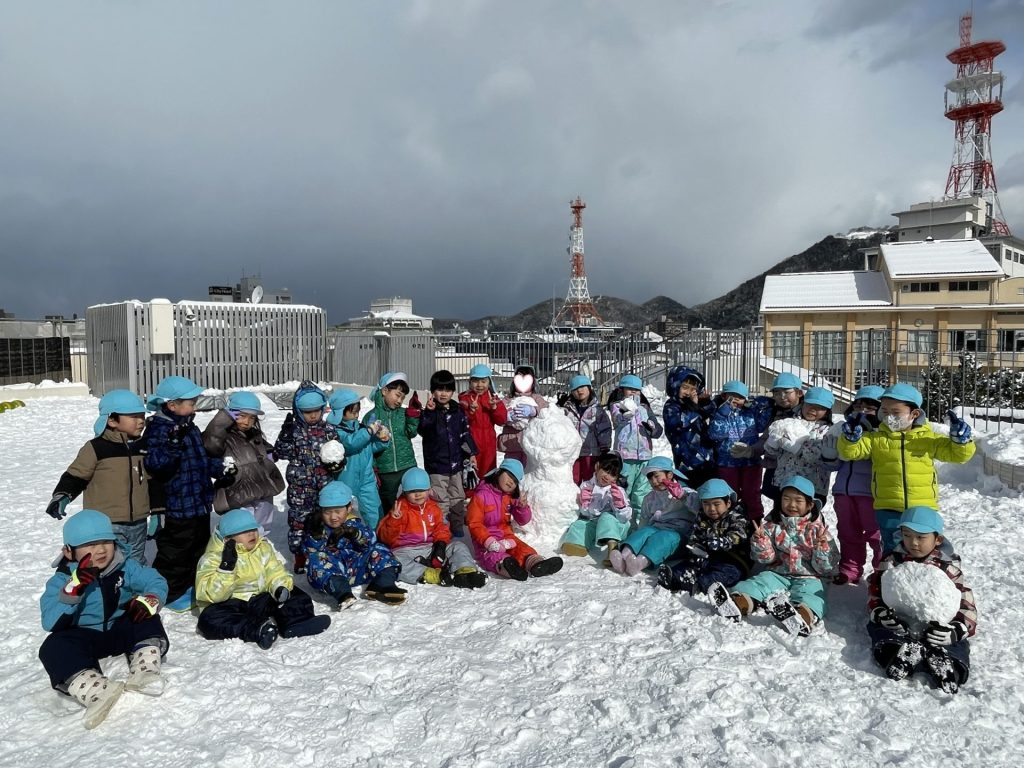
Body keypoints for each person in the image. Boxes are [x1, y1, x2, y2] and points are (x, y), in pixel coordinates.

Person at [39, 509, 169, 729]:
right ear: (69, 552)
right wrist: (72, 592)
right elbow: (49, 621)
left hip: (119, 626)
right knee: (53, 647)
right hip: (85, 636)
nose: (100, 550)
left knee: (144, 614)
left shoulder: (124, 566)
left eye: (106, 542)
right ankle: (95, 688)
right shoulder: (62, 579)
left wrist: (151, 599)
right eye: (89, 545)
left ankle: (145, 668)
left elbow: (154, 581)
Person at [837, 382, 975, 555]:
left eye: (896, 413)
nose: (889, 417)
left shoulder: (928, 439)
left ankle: (926, 578)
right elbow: (850, 452)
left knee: (923, 549)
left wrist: (960, 441)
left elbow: (958, 455)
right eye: (885, 412)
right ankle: (888, 579)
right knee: (892, 549)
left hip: (922, 507)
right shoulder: (876, 438)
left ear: (914, 414)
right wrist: (850, 439)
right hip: (888, 506)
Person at [144, 375, 235, 610]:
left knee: (198, 547)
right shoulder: (158, 428)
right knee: (175, 552)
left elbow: (200, 460)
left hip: (199, 501)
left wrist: (220, 469)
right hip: (177, 504)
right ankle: (170, 592)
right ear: (172, 405)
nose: (194, 406)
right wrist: (173, 445)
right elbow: (156, 464)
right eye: (191, 402)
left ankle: (192, 584)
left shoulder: (189, 426)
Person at [866, 507, 976, 694]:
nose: (913, 543)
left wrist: (958, 628)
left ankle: (949, 668)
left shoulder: (947, 567)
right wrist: (880, 613)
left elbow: (965, 600)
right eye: (907, 535)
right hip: (901, 622)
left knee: (956, 644)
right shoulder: (892, 561)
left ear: (937, 539)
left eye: (921, 537)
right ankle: (899, 656)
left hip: (937, 626)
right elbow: (876, 589)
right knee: (880, 632)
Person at [711, 475, 839, 637]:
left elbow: (826, 567)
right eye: (786, 499)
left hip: (810, 576)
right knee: (758, 583)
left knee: (812, 596)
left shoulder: (818, 531)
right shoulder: (772, 526)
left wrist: (822, 549)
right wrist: (760, 542)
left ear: (810, 504)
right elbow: (766, 559)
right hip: (778, 572)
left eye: (798, 501)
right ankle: (738, 604)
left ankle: (802, 617)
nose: (791, 505)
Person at [195, 509, 330, 650]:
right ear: (227, 539)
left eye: (253, 529)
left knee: (294, 593)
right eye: (243, 531)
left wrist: (279, 587)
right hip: (231, 604)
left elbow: (274, 571)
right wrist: (226, 568)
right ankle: (259, 629)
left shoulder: (262, 548)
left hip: (260, 598)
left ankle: (297, 621)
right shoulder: (212, 558)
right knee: (209, 619)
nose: (251, 533)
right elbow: (211, 595)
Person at [46, 390, 153, 564]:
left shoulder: (143, 447)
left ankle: (134, 590)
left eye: (142, 416)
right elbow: (76, 475)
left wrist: (157, 511)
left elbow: (151, 480)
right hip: (106, 523)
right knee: (109, 565)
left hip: (138, 522)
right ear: (111, 420)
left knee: (136, 563)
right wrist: (63, 495)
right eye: (133, 417)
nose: (141, 421)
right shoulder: (96, 448)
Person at [376, 467, 487, 588]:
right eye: (412, 491)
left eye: (421, 490)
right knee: (394, 561)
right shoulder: (399, 509)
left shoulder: (432, 507)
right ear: (405, 492)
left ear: (428, 490)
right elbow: (385, 537)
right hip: (406, 550)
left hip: (430, 548)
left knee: (458, 546)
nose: (417, 494)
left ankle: (465, 571)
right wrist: (394, 520)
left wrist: (440, 544)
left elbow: (441, 528)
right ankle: (430, 574)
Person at [304, 481, 407, 606]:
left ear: (349, 508)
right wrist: (315, 537)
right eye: (327, 512)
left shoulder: (354, 523)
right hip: (334, 574)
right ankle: (343, 593)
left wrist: (355, 534)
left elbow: (370, 543)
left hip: (358, 570)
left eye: (338, 511)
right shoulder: (319, 528)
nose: (333, 517)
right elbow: (309, 553)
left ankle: (383, 583)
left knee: (380, 549)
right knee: (315, 559)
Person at [820, 385, 884, 585]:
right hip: (843, 491)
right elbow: (836, 464)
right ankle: (850, 568)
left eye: (869, 407)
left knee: (876, 534)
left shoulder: (882, 433)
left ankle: (881, 570)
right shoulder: (842, 428)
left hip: (870, 492)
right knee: (848, 531)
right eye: (858, 406)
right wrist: (830, 457)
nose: (862, 411)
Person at [274, 381, 339, 574]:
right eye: (307, 412)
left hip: (324, 486)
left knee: (324, 519)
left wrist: (338, 463)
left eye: (316, 411)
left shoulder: (329, 430)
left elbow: (337, 451)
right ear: (298, 411)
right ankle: (300, 555)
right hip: (300, 489)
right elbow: (281, 453)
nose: (313, 416)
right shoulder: (293, 431)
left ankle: (326, 549)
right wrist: (285, 437)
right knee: (298, 522)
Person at [466, 458, 563, 580]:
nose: (511, 482)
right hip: (485, 541)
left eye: (515, 481)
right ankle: (508, 567)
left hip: (506, 536)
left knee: (521, 548)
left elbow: (523, 520)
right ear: (499, 472)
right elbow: (474, 523)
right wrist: (488, 541)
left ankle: (536, 564)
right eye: (510, 475)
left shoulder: (509, 497)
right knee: (493, 556)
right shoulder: (481, 495)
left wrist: (522, 507)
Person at [202, 390, 285, 529]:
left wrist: (270, 457)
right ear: (231, 415)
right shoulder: (222, 437)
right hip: (238, 492)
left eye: (252, 418)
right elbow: (210, 443)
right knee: (241, 528)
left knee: (262, 527)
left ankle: (259, 547)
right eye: (242, 416)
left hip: (261, 488)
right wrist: (223, 419)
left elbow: (266, 451)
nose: (247, 422)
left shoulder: (254, 435)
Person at [658, 478, 752, 597]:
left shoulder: (737, 517)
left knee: (722, 574)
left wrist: (722, 542)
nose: (711, 509)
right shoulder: (702, 516)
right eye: (706, 504)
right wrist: (695, 548)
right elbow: (695, 534)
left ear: (728, 503)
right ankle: (674, 578)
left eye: (716, 504)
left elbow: (739, 536)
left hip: (733, 560)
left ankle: (699, 584)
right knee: (688, 566)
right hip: (707, 556)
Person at [611, 455, 698, 576]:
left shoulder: (686, 492)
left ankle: (641, 562)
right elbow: (644, 521)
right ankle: (624, 555)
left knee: (664, 536)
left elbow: (699, 508)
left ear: (669, 475)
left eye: (657, 476)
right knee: (645, 531)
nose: (654, 481)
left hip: (679, 537)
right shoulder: (650, 498)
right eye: (650, 478)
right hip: (657, 529)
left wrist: (683, 497)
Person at [418, 369, 478, 536]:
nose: (443, 394)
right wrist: (428, 413)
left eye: (447, 390)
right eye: (439, 389)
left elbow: (465, 433)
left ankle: (457, 525)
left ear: (452, 391)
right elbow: (423, 430)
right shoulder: (430, 411)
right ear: (432, 391)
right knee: (441, 498)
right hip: (437, 465)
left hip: (456, 463)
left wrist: (471, 453)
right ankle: (442, 526)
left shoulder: (457, 411)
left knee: (458, 496)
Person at [708, 380, 772, 522]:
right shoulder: (719, 413)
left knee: (752, 493)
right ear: (724, 396)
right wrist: (723, 414)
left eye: (740, 397)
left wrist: (755, 403)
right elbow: (715, 434)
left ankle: (755, 521)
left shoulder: (751, 413)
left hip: (751, 462)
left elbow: (763, 424)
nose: (735, 400)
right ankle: (731, 522)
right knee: (730, 494)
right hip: (727, 463)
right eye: (732, 396)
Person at [762, 386, 837, 504]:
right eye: (809, 405)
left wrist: (797, 448)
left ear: (827, 411)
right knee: (780, 517)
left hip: (812, 485)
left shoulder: (828, 431)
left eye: (819, 408)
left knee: (807, 519)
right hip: (784, 482)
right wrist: (773, 443)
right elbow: (771, 452)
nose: (812, 410)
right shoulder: (788, 423)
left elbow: (819, 456)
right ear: (803, 404)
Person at [326, 388, 388, 531]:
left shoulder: (360, 429)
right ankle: (347, 540)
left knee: (374, 511)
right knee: (347, 513)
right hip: (346, 479)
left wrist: (382, 440)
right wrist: (368, 432)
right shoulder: (336, 432)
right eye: (352, 412)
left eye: (357, 411)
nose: (355, 415)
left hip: (367, 479)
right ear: (341, 412)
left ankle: (377, 538)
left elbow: (368, 448)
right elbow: (351, 444)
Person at [362, 372, 421, 515]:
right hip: (385, 469)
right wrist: (374, 467)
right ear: (384, 391)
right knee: (388, 500)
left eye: (402, 397)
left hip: (407, 464)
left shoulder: (402, 413)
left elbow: (411, 433)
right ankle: (389, 528)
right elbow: (367, 445)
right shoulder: (371, 417)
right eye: (397, 395)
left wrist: (413, 416)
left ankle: (413, 524)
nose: (400, 400)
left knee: (413, 497)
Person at [560, 451, 633, 566]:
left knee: (606, 517)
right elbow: (587, 514)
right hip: (595, 524)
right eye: (605, 470)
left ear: (616, 477)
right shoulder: (587, 486)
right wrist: (584, 503)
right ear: (597, 466)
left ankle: (612, 550)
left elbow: (624, 518)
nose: (606, 476)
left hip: (615, 526)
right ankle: (576, 544)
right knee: (580, 524)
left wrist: (620, 505)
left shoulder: (617, 491)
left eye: (612, 474)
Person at [750, 372, 805, 513]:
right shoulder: (775, 413)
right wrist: (752, 450)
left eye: (787, 392)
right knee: (779, 503)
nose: (782, 397)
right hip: (775, 467)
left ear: (799, 393)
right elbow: (767, 436)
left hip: (799, 469)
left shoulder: (806, 413)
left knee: (798, 507)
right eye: (777, 393)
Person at [609, 374, 664, 512]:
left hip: (644, 456)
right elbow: (617, 419)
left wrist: (653, 428)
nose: (633, 392)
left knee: (641, 492)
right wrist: (625, 415)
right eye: (629, 388)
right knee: (624, 489)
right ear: (622, 389)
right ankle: (622, 520)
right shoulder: (617, 405)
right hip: (625, 456)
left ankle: (639, 521)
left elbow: (657, 430)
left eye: (637, 389)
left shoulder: (645, 407)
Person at [661, 366, 717, 488]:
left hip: (707, 461)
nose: (688, 392)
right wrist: (693, 406)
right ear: (675, 386)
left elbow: (711, 411)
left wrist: (706, 401)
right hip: (686, 463)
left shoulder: (695, 404)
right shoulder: (671, 406)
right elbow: (679, 423)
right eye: (685, 388)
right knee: (689, 497)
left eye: (693, 389)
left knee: (708, 494)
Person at [558, 373, 613, 485]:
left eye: (583, 387)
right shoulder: (567, 409)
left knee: (590, 479)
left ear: (589, 388)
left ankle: (589, 500)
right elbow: (558, 424)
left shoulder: (597, 411)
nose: (579, 391)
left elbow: (604, 430)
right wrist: (558, 405)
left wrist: (605, 448)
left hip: (591, 453)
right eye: (576, 389)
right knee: (573, 479)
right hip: (573, 453)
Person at [459, 363, 507, 480]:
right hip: (471, 442)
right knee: (471, 469)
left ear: (489, 382)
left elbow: (502, 420)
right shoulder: (465, 399)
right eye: (475, 381)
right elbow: (460, 422)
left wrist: (494, 408)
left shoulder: (493, 399)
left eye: (483, 381)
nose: (479, 385)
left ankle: (486, 494)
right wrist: (471, 411)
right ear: (470, 382)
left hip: (489, 442)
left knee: (488, 471)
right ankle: (469, 495)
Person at [498, 363, 548, 470]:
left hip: (531, 443)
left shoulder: (537, 398)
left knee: (529, 470)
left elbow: (547, 411)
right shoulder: (507, 400)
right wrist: (505, 417)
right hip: (511, 443)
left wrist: (534, 411)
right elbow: (497, 415)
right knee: (511, 470)